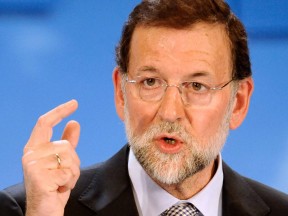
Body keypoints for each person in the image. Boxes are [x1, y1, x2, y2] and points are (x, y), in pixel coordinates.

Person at [1, 0, 288, 215]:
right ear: (121, 93)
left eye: (197, 86)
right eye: (151, 82)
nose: (169, 112)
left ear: (238, 102)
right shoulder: (31, 208)